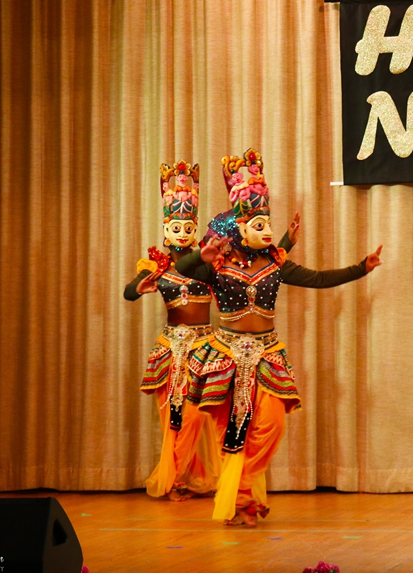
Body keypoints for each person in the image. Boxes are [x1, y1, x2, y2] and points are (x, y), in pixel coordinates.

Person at [177, 148, 384, 526]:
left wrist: (361, 268)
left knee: (273, 425)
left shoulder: (276, 264)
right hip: (225, 356)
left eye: (267, 222)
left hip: (267, 353)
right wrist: (198, 257)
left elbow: (318, 279)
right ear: (240, 230)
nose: (267, 230)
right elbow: (182, 270)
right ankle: (241, 502)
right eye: (258, 223)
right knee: (229, 431)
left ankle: (242, 489)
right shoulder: (217, 266)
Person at [124, 160, 292, 501]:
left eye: (189, 226)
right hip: (171, 349)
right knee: (174, 418)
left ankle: (228, 482)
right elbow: (129, 292)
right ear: (166, 227)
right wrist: (139, 288)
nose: (183, 233)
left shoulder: (211, 260)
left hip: (206, 349)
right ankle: (176, 480)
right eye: (176, 226)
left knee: (202, 418)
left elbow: (268, 262)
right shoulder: (156, 265)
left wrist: (288, 239)